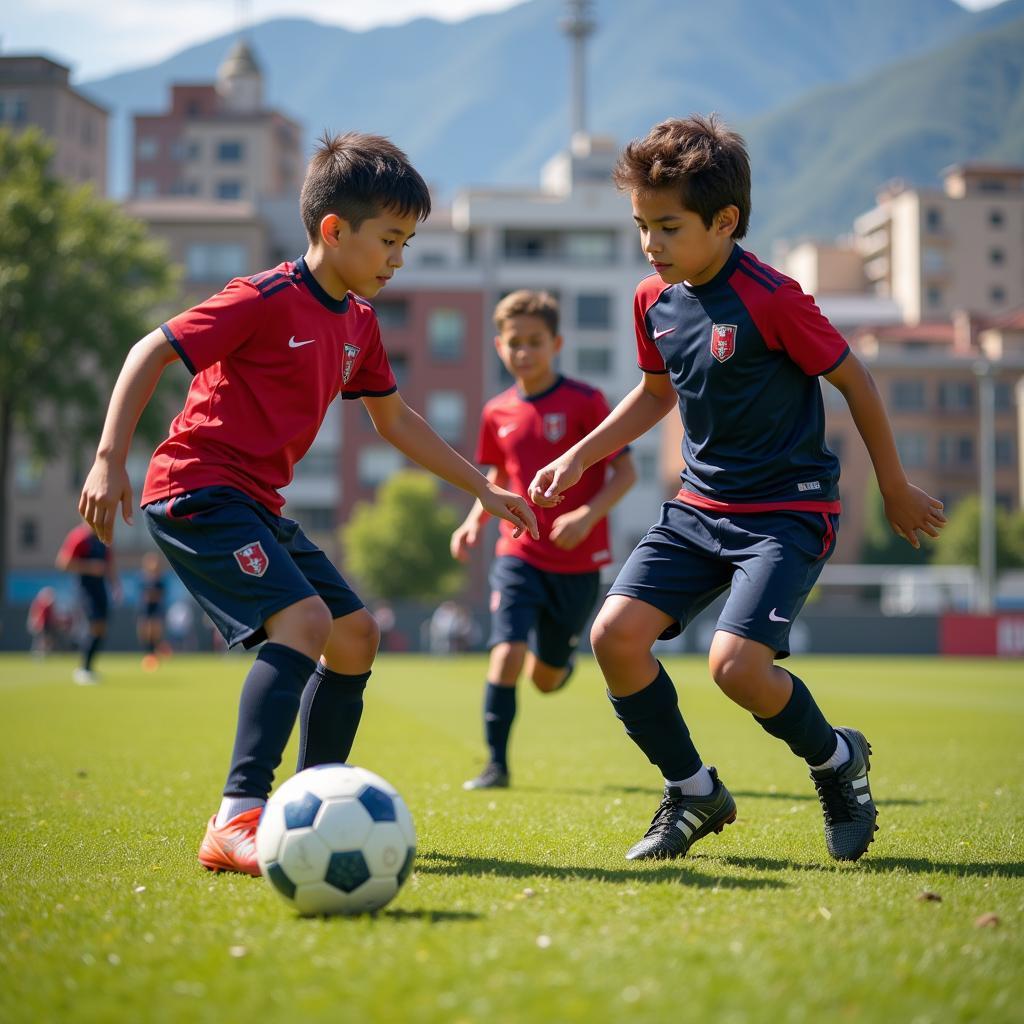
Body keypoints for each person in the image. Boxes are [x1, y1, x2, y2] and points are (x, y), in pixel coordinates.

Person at [76, 131, 538, 877]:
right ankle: (236, 817)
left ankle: (307, 806)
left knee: (354, 635)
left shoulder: (358, 322)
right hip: (195, 487)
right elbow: (149, 350)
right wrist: (107, 460)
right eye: (389, 240)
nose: (398, 257)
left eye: (408, 243)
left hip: (257, 501)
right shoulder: (263, 297)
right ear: (333, 229)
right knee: (306, 621)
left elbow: (394, 419)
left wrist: (481, 485)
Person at [529, 115, 946, 863]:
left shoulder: (774, 297)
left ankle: (837, 763)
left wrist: (894, 486)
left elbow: (855, 380)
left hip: (786, 512)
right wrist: (581, 455)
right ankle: (693, 792)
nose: (650, 244)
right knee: (614, 639)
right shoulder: (651, 301)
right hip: (697, 509)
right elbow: (657, 394)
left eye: (667, 226)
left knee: (736, 668)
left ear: (725, 222)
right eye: (641, 227)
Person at [452, 290, 636, 790]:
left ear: (556, 343)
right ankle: (496, 765)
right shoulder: (496, 411)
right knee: (506, 653)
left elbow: (625, 473)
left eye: (535, 342)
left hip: (578, 560)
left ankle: (556, 659)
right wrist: (474, 519)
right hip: (519, 553)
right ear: (498, 346)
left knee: (546, 679)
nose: (524, 352)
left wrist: (587, 512)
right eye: (515, 343)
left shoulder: (585, 401)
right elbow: (496, 473)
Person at [56, 522, 118, 685]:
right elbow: (63, 562)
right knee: (95, 625)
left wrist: (115, 586)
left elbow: (109, 565)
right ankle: (83, 668)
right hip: (86, 589)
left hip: (101, 589)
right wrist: (90, 567)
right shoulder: (79, 537)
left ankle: (88, 668)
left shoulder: (103, 539)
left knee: (101, 629)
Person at [137, 551, 167, 671]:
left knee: (155, 631)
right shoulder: (143, 579)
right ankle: (148, 654)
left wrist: (152, 596)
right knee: (145, 632)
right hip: (145, 610)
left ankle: (153, 654)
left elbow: (159, 595)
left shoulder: (160, 580)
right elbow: (143, 595)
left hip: (156, 609)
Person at [26, 586, 61, 657]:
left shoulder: (50, 606)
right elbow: (35, 615)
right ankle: (38, 654)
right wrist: (35, 623)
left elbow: (52, 616)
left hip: (47, 624)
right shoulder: (39, 604)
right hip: (41, 624)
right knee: (41, 639)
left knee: (47, 639)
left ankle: (45, 653)